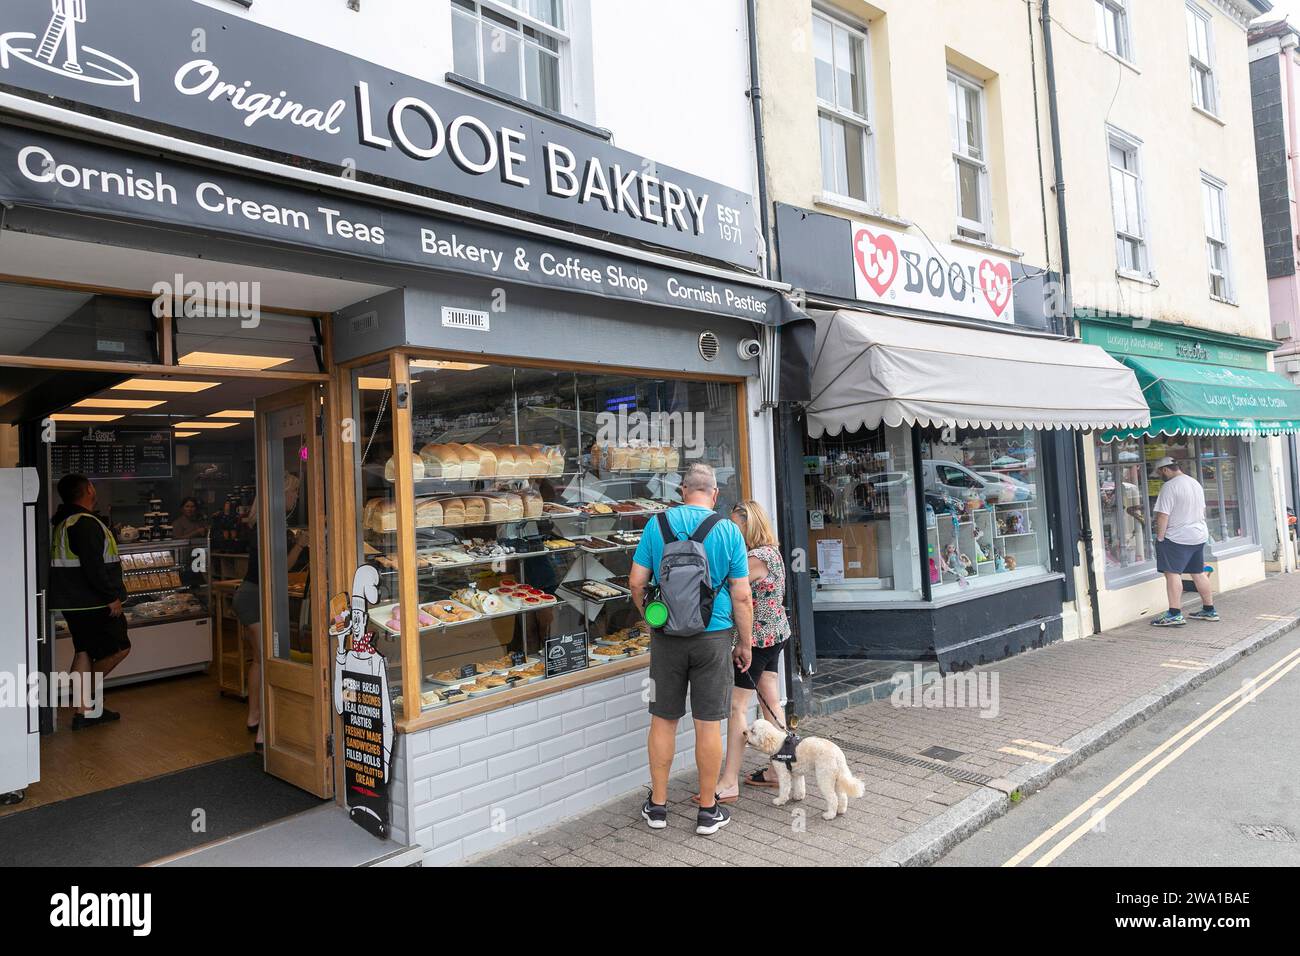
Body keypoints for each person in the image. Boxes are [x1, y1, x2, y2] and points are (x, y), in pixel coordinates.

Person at [628, 462, 753, 836]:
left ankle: (659, 807)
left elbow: (636, 583)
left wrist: (652, 617)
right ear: (714, 494)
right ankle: (707, 810)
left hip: (666, 636)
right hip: (713, 638)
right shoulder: (728, 530)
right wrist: (744, 642)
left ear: (682, 491)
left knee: (663, 719)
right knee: (708, 723)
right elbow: (743, 595)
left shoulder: (657, 524)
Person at [705, 499, 791, 804]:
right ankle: (777, 770)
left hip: (756, 640)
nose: (731, 529)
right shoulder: (773, 553)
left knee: (736, 707)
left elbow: (732, 591)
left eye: (735, 524)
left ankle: (729, 781)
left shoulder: (754, 557)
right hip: (777, 633)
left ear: (748, 525)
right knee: (769, 701)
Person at [49, 474, 130, 729]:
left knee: (83, 650)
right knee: (120, 648)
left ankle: (84, 711)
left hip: (74, 603)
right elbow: (94, 566)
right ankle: (86, 697)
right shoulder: (84, 523)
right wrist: (111, 597)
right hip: (94, 603)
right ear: (88, 489)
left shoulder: (65, 522)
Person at [232, 477, 306, 752]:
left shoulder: (262, 523)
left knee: (260, 660)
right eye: (295, 491)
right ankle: (265, 733)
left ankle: (254, 716)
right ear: (283, 493)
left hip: (248, 594)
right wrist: (301, 544)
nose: (297, 497)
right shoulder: (274, 525)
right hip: (257, 597)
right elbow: (279, 568)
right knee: (268, 659)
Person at [1149, 456, 1217, 626]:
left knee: (1172, 573)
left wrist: (1160, 538)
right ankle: (1209, 610)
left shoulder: (1169, 487)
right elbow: (1202, 510)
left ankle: (1174, 613)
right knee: (1198, 572)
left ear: (1165, 469)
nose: (1159, 476)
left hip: (1177, 537)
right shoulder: (1195, 483)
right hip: (1199, 535)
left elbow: (1163, 515)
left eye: (1159, 473)